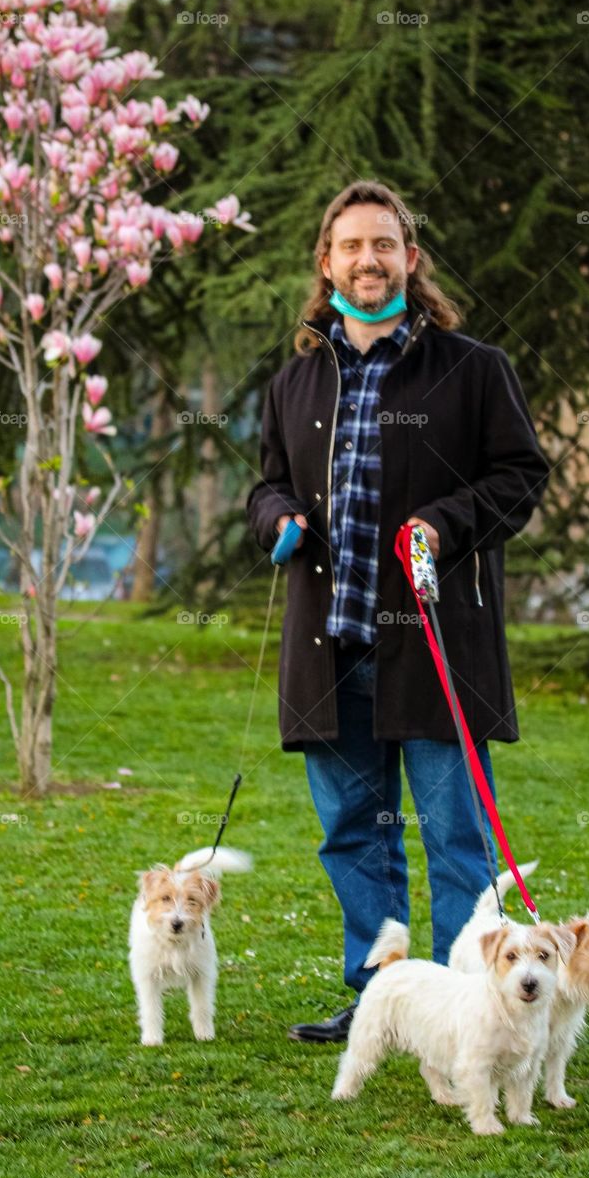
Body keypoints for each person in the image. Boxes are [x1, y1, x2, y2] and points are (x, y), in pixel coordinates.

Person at [245, 180, 549, 1042]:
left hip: (435, 645)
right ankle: (380, 1005)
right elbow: (265, 483)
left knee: (456, 841)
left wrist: (444, 523)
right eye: (351, 246)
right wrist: (277, 517)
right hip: (328, 644)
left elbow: (520, 477)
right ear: (326, 262)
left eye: (384, 245)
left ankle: (470, 1013)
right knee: (352, 837)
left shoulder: (472, 368)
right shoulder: (296, 380)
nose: (367, 260)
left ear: (409, 260)